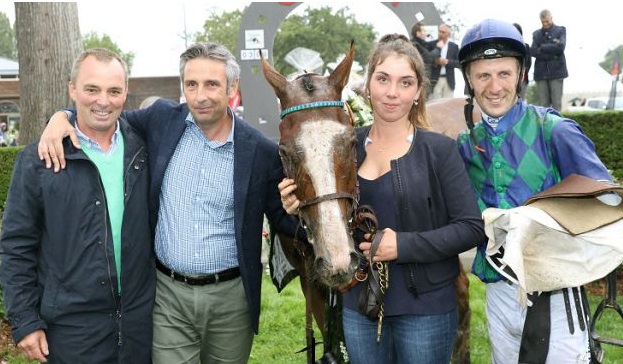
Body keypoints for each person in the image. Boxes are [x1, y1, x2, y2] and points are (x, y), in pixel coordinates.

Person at [37, 42, 301, 363]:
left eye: (211, 84)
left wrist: (295, 212)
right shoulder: (162, 121)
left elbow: (285, 221)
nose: (200, 95)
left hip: (231, 299)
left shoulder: (259, 151)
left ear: (232, 87)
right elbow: (105, 114)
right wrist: (61, 116)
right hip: (168, 296)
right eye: (191, 84)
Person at [279, 33, 485, 364]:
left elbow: (471, 228)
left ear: (418, 92)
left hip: (426, 313)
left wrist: (402, 246)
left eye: (405, 83)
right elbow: (330, 221)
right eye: (383, 79)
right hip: (360, 309)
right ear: (367, 85)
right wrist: (297, 209)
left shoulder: (439, 151)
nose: (392, 92)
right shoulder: (343, 146)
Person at [457, 19, 612, 363]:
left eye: (504, 74)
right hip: (498, 291)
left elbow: (607, 202)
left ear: (522, 75)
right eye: (483, 75)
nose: (494, 86)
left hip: (556, 291)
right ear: (469, 80)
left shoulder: (554, 130)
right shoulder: (467, 145)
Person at [0, 48, 155, 363]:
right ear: (72, 89)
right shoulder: (38, 160)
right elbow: (17, 245)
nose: (103, 100)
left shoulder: (145, 148)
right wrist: (25, 320)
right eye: (92, 89)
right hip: (72, 329)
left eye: (114, 91)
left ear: (126, 92)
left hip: (141, 326)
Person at [531, 9, 568, 111]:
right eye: (543, 22)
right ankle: (545, 127)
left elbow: (560, 47)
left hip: (557, 72)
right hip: (541, 73)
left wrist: (542, 47)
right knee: (543, 106)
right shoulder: (536, 34)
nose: (545, 24)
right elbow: (533, 51)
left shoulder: (561, 30)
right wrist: (552, 51)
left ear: (551, 18)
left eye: (547, 21)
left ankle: (558, 127)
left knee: (557, 104)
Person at [428, 23, 460, 100]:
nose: (440, 34)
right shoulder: (431, 44)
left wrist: (447, 62)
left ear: (448, 35)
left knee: (448, 105)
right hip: (435, 79)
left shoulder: (454, 46)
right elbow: (426, 59)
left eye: (443, 32)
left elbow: (459, 63)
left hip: (448, 79)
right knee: (434, 104)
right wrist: (436, 61)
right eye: (439, 31)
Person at [410, 22, 438, 96]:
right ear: (418, 33)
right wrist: (438, 48)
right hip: (420, 80)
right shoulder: (415, 45)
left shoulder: (420, 44)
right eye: (424, 31)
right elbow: (428, 58)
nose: (426, 33)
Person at [512, 22, 532, 99]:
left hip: (523, 79)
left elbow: (528, 63)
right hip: (509, 79)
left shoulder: (526, 46)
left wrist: (521, 73)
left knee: (520, 100)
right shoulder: (507, 48)